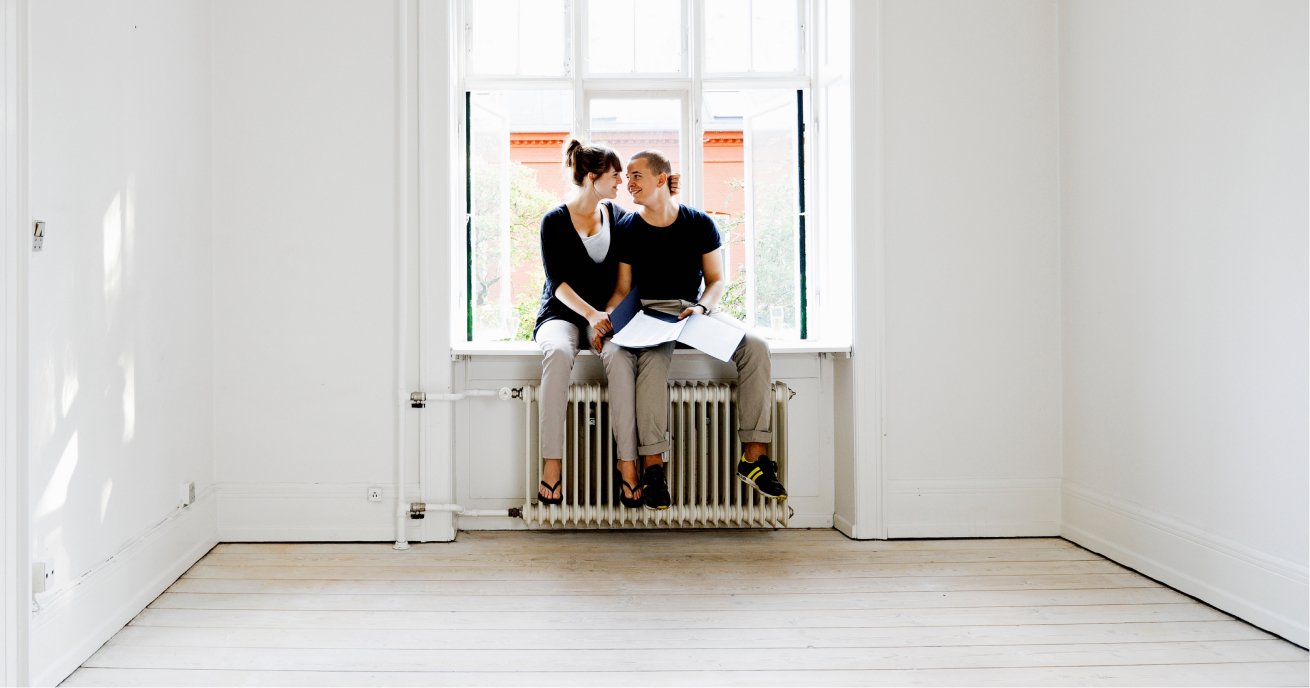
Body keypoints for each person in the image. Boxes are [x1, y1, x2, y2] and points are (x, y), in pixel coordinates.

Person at [600, 149, 787, 511]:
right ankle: (654, 468)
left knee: (757, 346)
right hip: (651, 313)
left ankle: (754, 459)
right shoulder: (628, 228)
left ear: (660, 179)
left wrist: (701, 307)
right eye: (628, 177)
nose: (629, 183)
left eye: (637, 175)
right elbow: (622, 290)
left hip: (693, 309)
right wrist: (607, 320)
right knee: (651, 366)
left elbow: (716, 281)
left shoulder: (699, 223)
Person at [532, 140, 647, 507]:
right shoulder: (553, 220)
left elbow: (630, 267)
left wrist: (607, 317)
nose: (620, 182)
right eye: (615, 176)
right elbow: (558, 284)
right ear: (594, 177)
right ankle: (552, 464)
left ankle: (627, 463)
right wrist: (592, 315)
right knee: (558, 352)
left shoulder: (617, 216)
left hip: (605, 317)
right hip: (562, 314)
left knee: (619, 354)